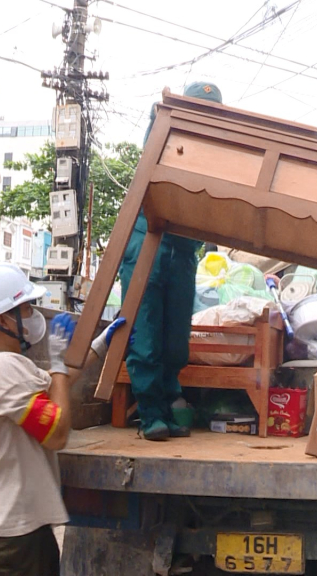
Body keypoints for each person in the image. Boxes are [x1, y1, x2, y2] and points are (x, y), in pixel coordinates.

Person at [0, 262, 124, 576]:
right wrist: (60, 362)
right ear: (2, 318)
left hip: (20, 529)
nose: (33, 316)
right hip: (11, 539)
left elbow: (55, 383)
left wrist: (102, 344)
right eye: (25, 309)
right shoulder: (2, 371)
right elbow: (58, 434)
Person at [118, 80, 223, 441]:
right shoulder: (164, 133)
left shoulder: (217, 155)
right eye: (198, 111)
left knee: (176, 341)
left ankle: (164, 407)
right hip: (147, 242)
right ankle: (150, 415)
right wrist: (161, 111)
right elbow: (155, 136)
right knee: (146, 337)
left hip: (183, 251)